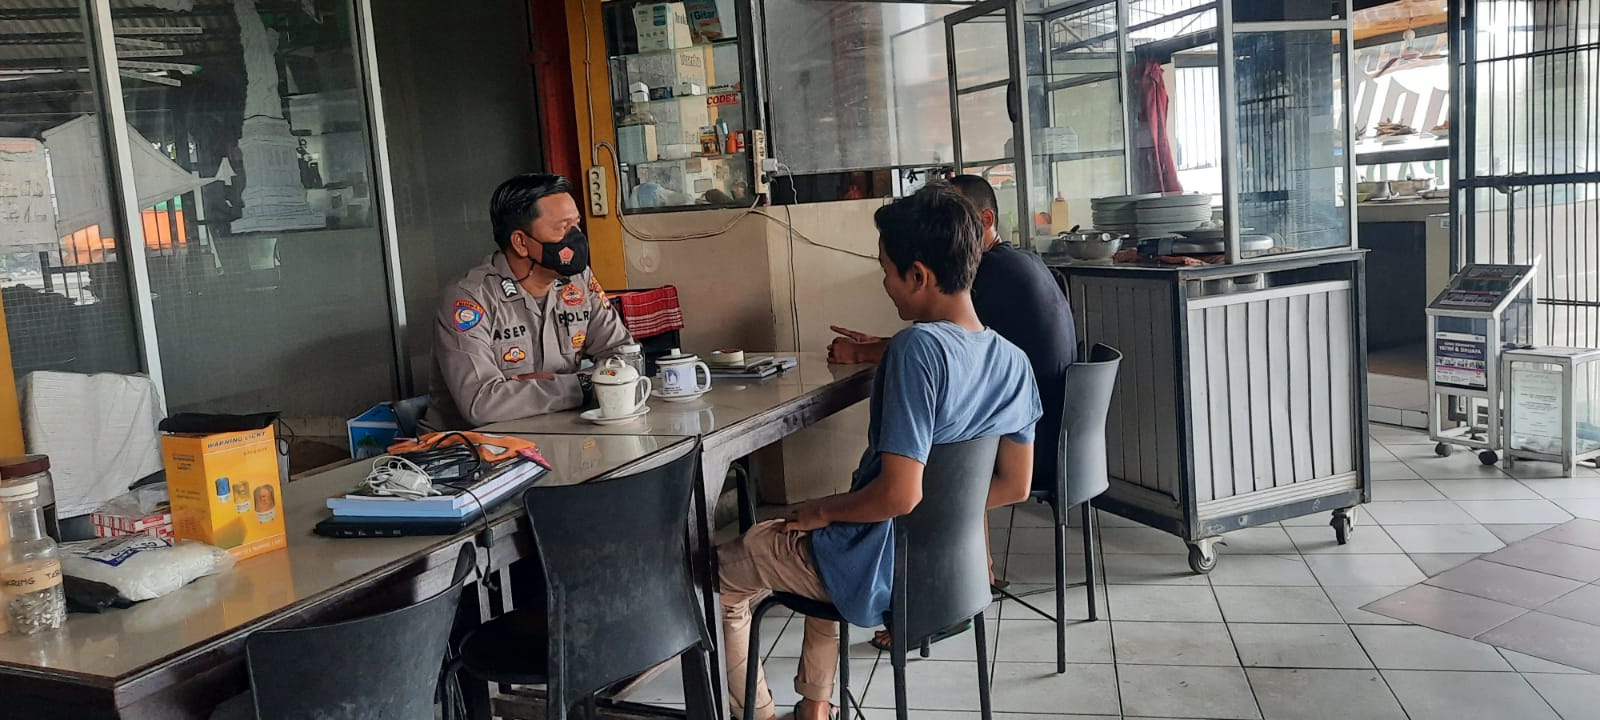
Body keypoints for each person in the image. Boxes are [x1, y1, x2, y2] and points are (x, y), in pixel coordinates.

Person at [720, 185, 1041, 720]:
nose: (885, 284)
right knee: (836, 523)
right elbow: (1016, 486)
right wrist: (932, 521)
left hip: (880, 565)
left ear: (919, 275)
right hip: (953, 571)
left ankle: (759, 713)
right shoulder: (1013, 360)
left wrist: (821, 511)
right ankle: (815, 708)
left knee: (722, 569)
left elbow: (898, 494)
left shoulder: (919, 349)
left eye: (887, 271)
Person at [423, 173, 633, 430]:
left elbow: (625, 357)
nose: (576, 236)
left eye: (576, 225)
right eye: (562, 227)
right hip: (473, 451)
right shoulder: (469, 298)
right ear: (521, 243)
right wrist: (584, 384)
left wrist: (535, 388)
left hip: (560, 435)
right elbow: (482, 404)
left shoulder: (578, 280)